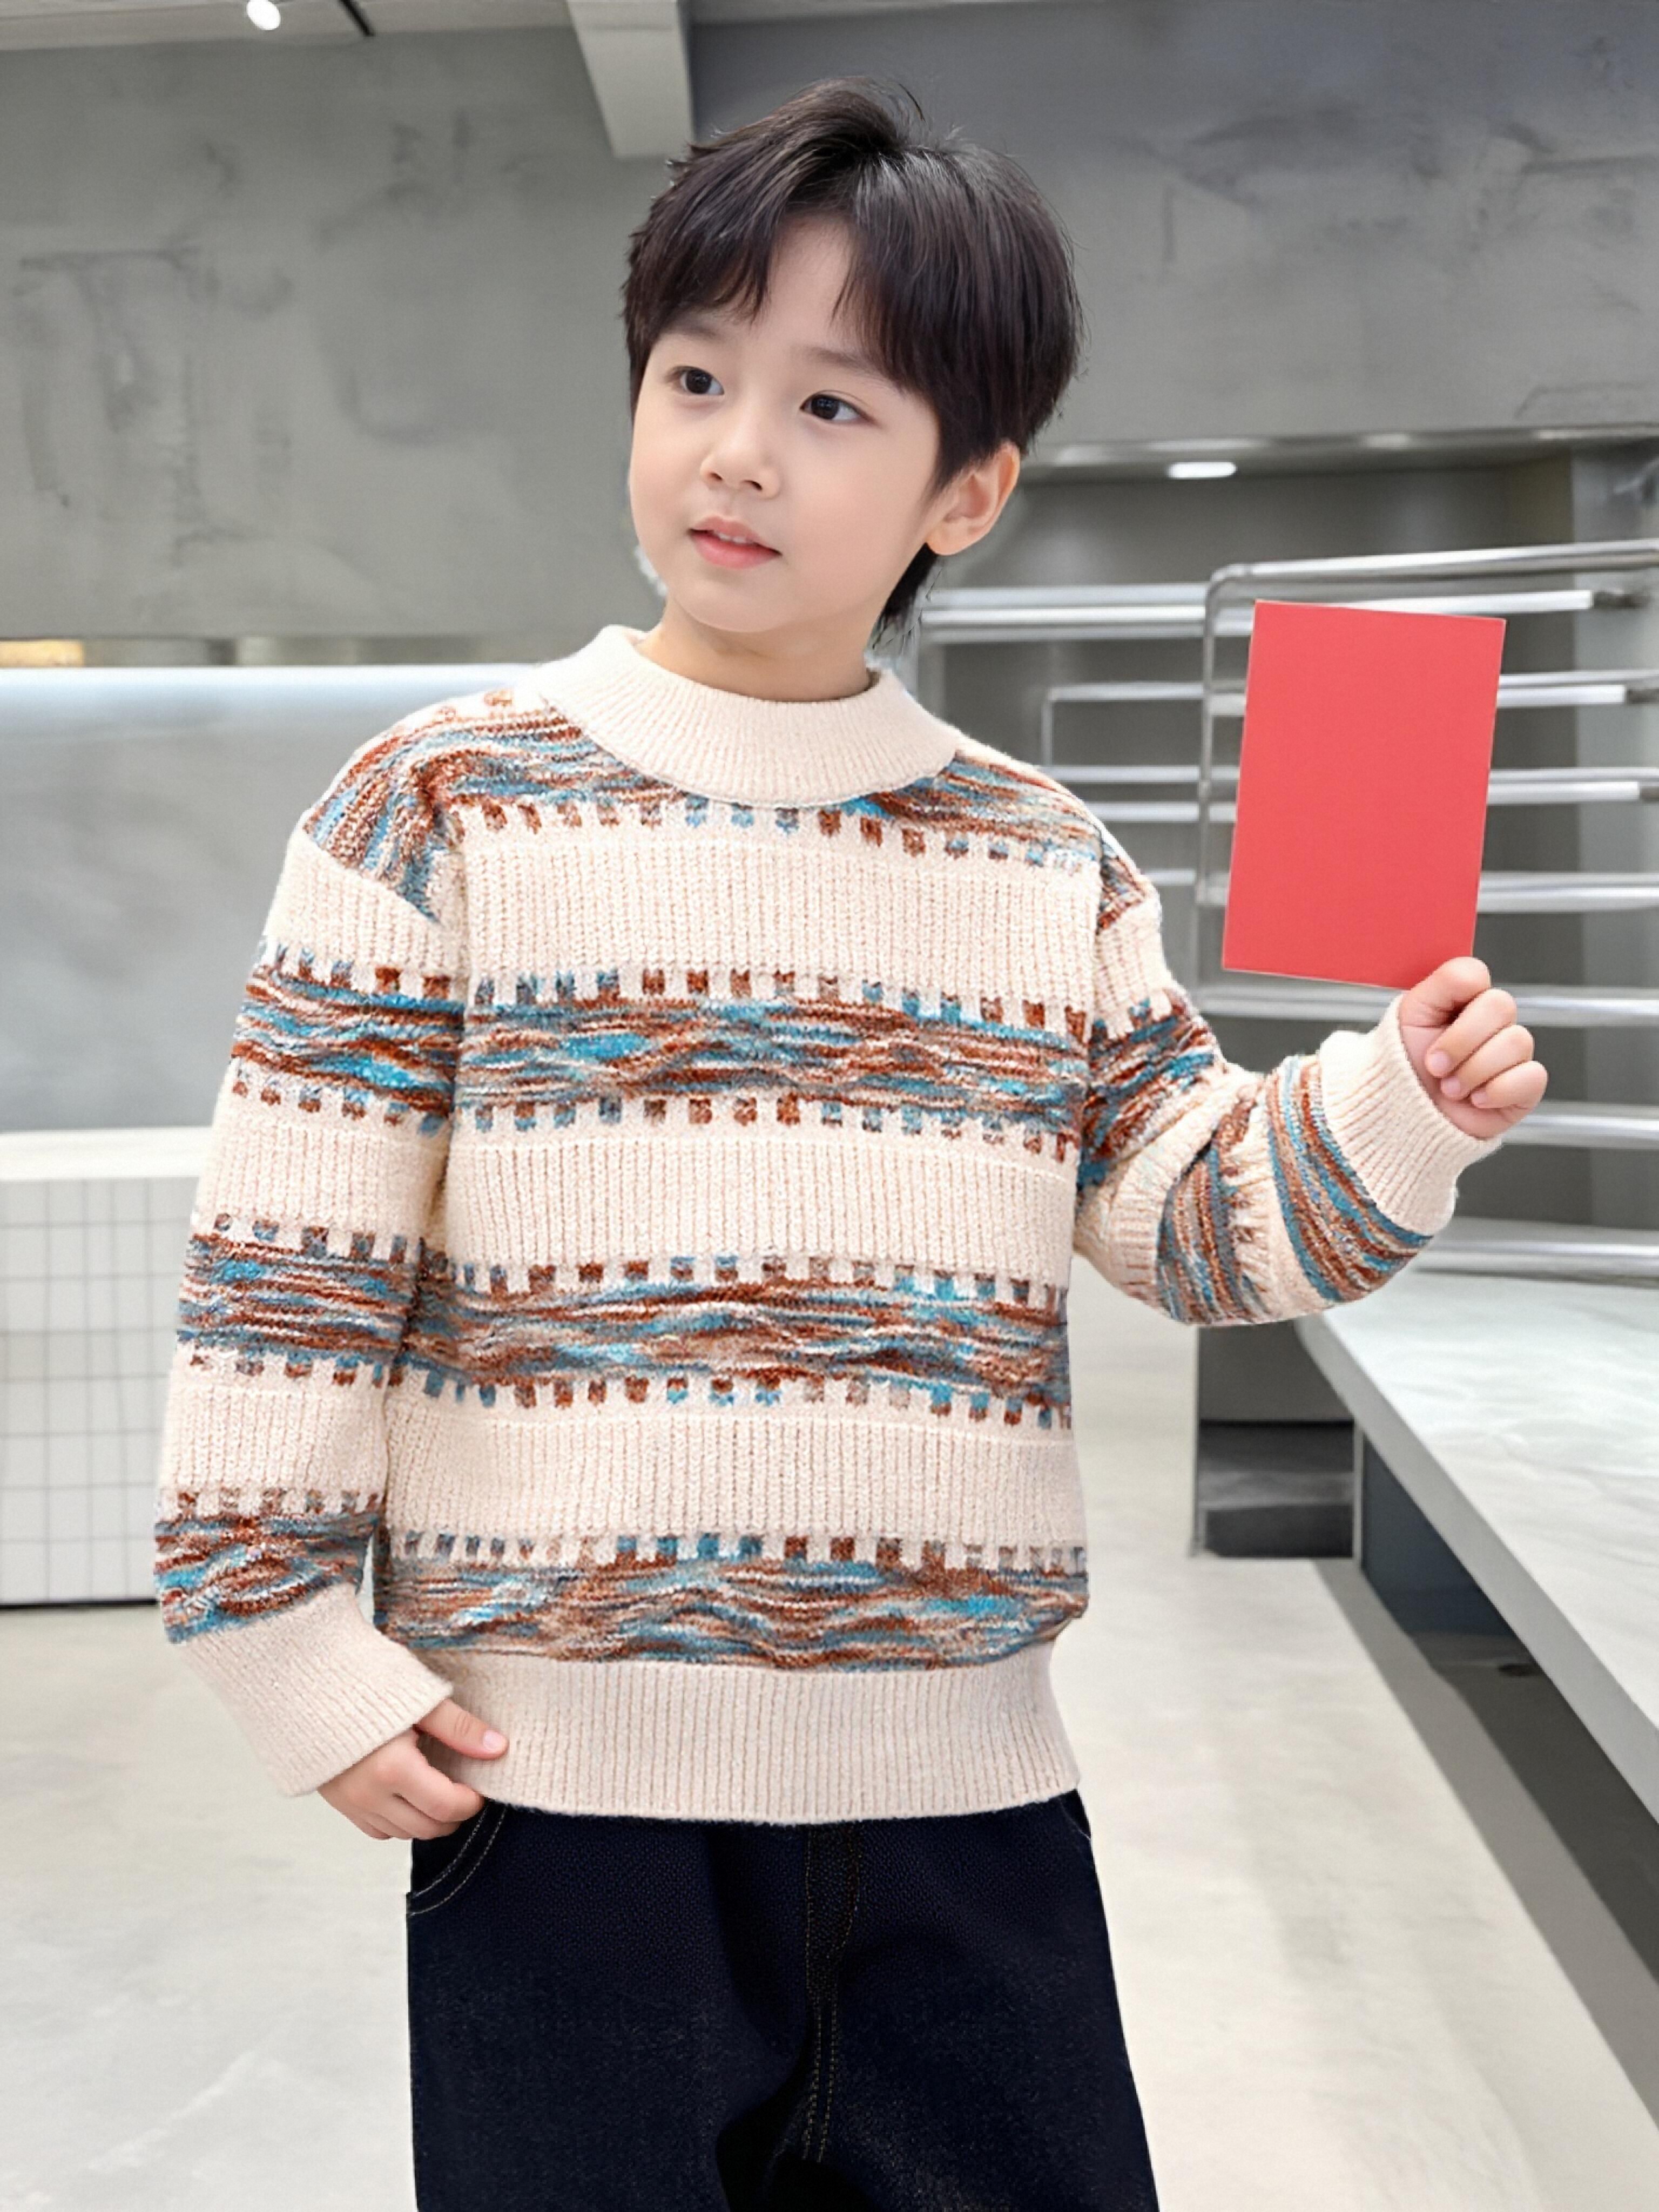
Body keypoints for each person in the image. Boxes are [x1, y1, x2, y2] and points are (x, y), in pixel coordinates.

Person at [151, 75, 1548, 2212]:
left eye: (830, 405)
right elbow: (288, 1263)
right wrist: (279, 1637)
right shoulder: (436, 805)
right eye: (697, 375)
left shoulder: (1038, 856)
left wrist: (1393, 1109)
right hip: (556, 1808)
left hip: (966, 1809)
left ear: (965, 490)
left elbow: (1187, 1218)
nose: (738, 448)